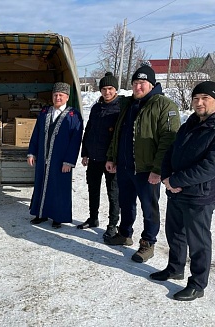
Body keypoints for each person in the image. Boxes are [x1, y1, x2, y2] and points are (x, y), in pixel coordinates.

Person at [104, 62, 180, 263]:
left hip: (147, 171)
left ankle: (148, 242)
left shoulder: (164, 105)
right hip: (125, 166)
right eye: (135, 82)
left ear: (152, 84)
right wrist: (112, 157)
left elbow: (168, 141)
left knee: (149, 208)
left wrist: (158, 170)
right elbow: (118, 134)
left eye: (142, 83)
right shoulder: (128, 104)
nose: (138, 87)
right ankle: (125, 233)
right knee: (126, 203)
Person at [150, 81, 215, 301]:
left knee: (198, 241)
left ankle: (198, 284)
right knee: (175, 232)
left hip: (199, 195)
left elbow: (210, 167)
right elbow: (171, 150)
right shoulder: (189, 124)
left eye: (205, 98)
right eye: (196, 98)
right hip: (176, 191)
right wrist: (167, 176)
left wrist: (177, 180)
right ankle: (175, 268)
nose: (199, 102)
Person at [27, 82, 83, 228]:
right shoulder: (45, 112)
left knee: (58, 187)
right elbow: (36, 133)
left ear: (67, 97)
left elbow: (75, 141)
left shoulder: (73, 115)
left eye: (61, 95)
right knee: (41, 184)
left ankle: (58, 216)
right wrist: (32, 152)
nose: (58, 97)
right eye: (55, 95)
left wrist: (69, 161)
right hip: (43, 156)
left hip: (61, 160)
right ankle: (41, 213)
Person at [78, 72, 120, 240]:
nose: (107, 92)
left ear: (115, 89)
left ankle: (112, 225)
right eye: (103, 89)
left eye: (110, 88)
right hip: (94, 157)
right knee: (93, 189)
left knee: (113, 193)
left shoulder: (120, 109)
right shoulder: (96, 107)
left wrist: (115, 158)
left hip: (110, 160)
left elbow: (120, 137)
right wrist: (85, 152)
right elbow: (88, 130)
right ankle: (93, 217)